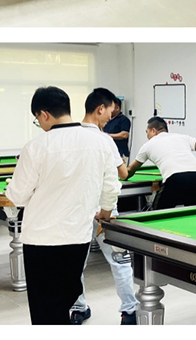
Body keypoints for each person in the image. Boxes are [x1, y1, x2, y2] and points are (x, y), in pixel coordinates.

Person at [3, 86, 119, 325]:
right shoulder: (101, 142)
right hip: (78, 238)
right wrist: (105, 212)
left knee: (45, 310)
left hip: (42, 240)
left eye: (37, 119)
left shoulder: (36, 147)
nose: (39, 124)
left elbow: (17, 195)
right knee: (65, 300)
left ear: (44, 114)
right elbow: (111, 188)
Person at [70, 88, 138, 326]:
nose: (111, 116)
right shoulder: (104, 140)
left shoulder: (69, 136)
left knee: (75, 263)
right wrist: (106, 213)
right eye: (110, 110)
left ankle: (78, 308)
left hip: (76, 211)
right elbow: (121, 175)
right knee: (119, 261)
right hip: (104, 210)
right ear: (100, 109)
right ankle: (129, 311)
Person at [127, 117, 196, 209]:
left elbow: (130, 170)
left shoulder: (147, 145)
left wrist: (122, 175)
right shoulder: (182, 137)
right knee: (195, 212)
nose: (147, 136)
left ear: (154, 131)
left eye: (147, 132)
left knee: (158, 214)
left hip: (174, 178)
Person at [104, 97, 131, 162]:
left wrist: (108, 135)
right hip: (109, 153)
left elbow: (124, 135)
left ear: (117, 108)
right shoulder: (107, 120)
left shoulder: (124, 120)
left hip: (121, 154)